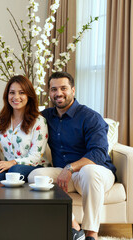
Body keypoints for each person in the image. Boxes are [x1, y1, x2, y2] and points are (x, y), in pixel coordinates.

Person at [28, 72, 116, 240]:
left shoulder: (90, 117)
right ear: (49, 93)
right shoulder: (46, 117)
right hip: (65, 175)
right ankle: (74, 227)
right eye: (54, 89)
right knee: (35, 176)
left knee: (90, 171)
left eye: (63, 88)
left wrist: (70, 168)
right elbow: (19, 121)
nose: (58, 93)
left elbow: (98, 152)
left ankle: (91, 234)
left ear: (73, 90)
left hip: (96, 174)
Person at [0, 75, 48, 183]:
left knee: (15, 170)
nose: (16, 97)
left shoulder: (39, 121)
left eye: (21, 93)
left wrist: (13, 162)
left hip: (33, 166)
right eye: (12, 92)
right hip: (7, 167)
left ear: (29, 95)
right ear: (7, 95)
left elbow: (35, 156)